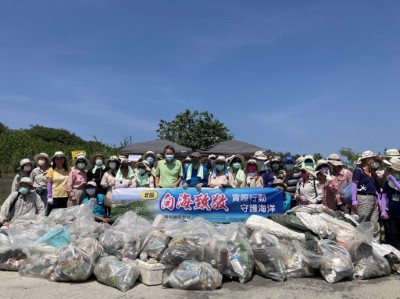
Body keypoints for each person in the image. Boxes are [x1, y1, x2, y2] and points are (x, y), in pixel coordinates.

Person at [351, 150, 382, 239]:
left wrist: (379, 201)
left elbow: (375, 188)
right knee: (362, 221)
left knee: (375, 224)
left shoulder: (372, 173)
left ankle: (376, 244)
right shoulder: (358, 171)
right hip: (363, 197)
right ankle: (360, 243)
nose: (374, 161)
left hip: (373, 198)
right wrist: (354, 199)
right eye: (373, 159)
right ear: (368, 160)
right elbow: (354, 185)